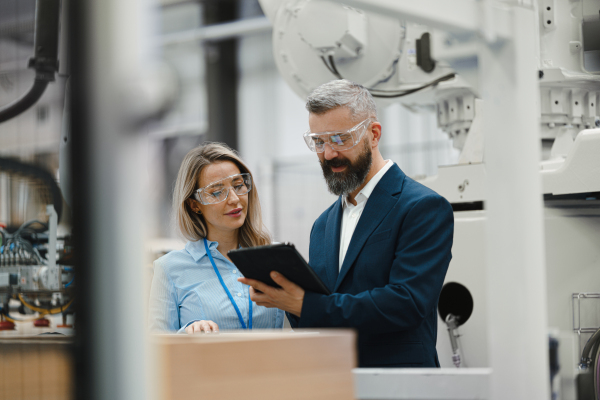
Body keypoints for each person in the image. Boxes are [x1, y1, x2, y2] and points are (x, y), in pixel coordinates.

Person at [238, 80, 454, 367]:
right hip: (337, 382)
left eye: (340, 139)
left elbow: (406, 303)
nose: (328, 154)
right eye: (319, 141)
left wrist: (304, 303)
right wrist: (284, 297)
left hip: (401, 385)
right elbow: (322, 314)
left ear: (373, 134)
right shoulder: (323, 224)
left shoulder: (422, 207)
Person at [149, 142, 285, 334]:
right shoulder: (169, 269)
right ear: (194, 205)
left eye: (238, 186)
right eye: (217, 192)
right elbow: (157, 351)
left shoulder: (277, 257)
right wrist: (188, 332)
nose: (234, 199)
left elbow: (307, 323)